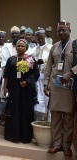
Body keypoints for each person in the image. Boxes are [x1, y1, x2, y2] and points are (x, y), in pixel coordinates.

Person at [44, 21, 75, 157]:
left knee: (68, 117)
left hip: (69, 86)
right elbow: (48, 66)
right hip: (56, 86)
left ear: (70, 30)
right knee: (55, 116)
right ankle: (57, 144)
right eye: (59, 31)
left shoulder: (75, 44)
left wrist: (71, 72)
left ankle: (67, 145)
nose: (61, 33)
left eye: (64, 30)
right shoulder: (54, 47)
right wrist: (46, 83)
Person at [3, 39, 39, 143]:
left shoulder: (30, 59)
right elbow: (6, 75)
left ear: (26, 47)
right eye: (18, 46)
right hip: (13, 90)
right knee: (14, 111)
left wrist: (27, 82)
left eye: (22, 46)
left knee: (25, 111)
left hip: (26, 91)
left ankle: (25, 136)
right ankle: (13, 135)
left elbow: (35, 74)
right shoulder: (11, 60)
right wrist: (5, 87)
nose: (20, 48)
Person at [32, 28, 52, 121]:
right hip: (36, 79)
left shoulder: (51, 47)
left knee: (47, 100)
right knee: (38, 101)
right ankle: (38, 122)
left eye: (42, 38)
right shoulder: (33, 50)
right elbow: (29, 63)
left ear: (44, 37)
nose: (40, 40)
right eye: (38, 38)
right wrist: (36, 63)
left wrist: (44, 62)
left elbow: (53, 62)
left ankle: (49, 121)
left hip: (46, 79)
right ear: (35, 38)